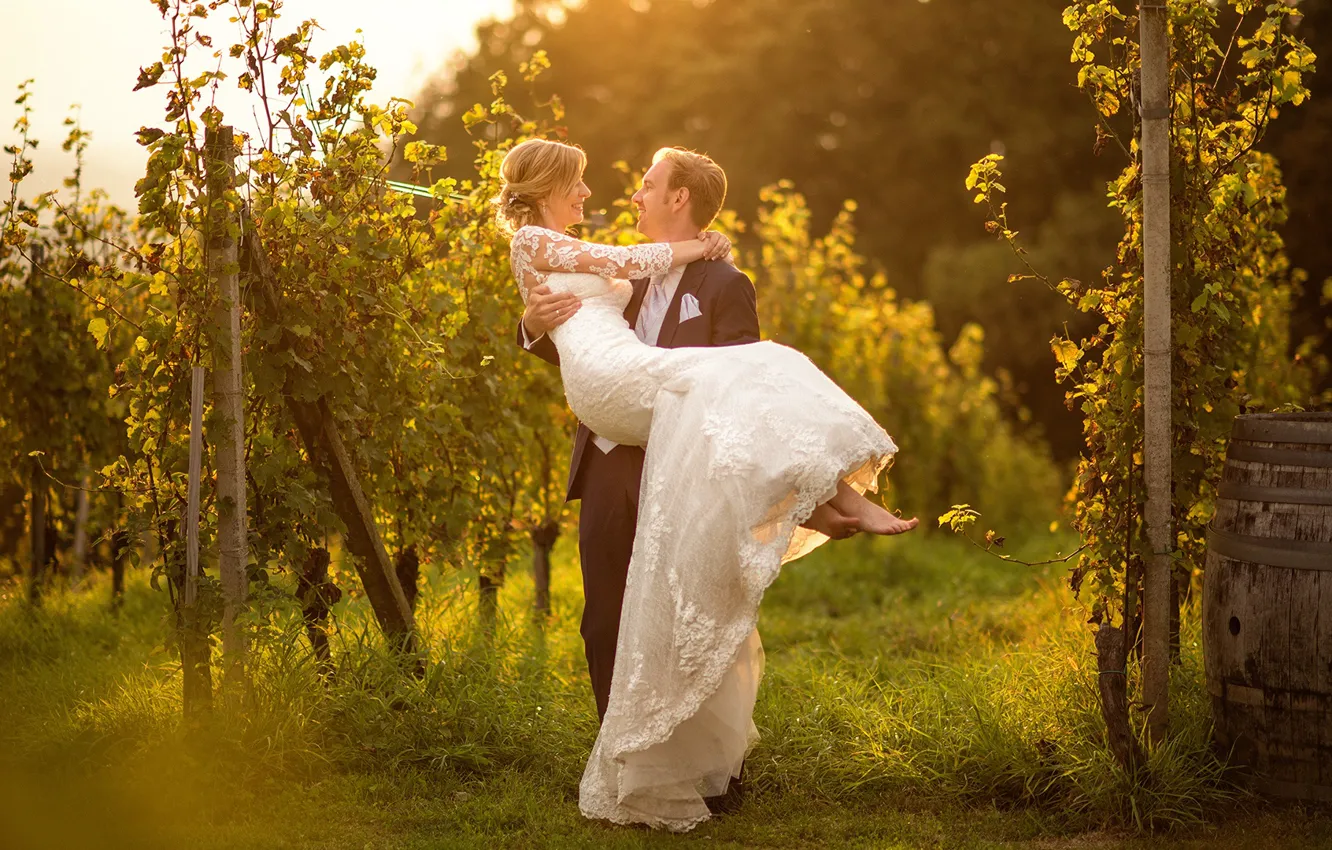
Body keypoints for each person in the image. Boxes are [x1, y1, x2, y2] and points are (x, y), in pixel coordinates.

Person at [503, 138, 917, 832]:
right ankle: (629, 765)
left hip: (686, 460)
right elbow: (572, 328)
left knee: (693, 608)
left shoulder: (726, 284)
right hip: (613, 458)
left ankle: (710, 773)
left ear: (680, 198)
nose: (625, 195)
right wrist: (527, 325)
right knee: (607, 618)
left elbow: (743, 408)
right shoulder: (599, 256)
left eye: (646, 184)